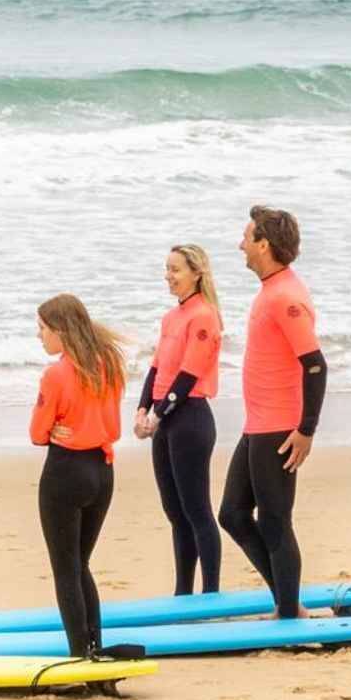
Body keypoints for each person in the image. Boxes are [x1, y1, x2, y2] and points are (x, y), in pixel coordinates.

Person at [219, 205, 326, 619]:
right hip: (258, 425)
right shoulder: (272, 289)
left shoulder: (284, 296)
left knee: (276, 522)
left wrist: (306, 430)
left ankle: (288, 611)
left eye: (246, 237)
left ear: (264, 244)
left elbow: (315, 364)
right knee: (232, 514)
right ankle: (288, 601)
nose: (240, 245)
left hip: (280, 428)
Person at [29, 296, 125, 660]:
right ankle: (94, 647)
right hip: (102, 471)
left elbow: (38, 432)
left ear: (60, 330)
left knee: (66, 569)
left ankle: (79, 653)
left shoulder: (56, 373)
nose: (39, 336)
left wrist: (56, 429)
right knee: (80, 564)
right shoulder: (109, 363)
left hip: (66, 473)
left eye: (42, 329)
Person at [132, 244, 224, 596]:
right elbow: (157, 368)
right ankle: (183, 593)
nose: (168, 276)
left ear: (196, 273)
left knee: (196, 509)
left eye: (175, 270)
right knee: (175, 512)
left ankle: (211, 593)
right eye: (166, 269)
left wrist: (157, 414)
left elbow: (188, 375)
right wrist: (143, 410)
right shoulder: (172, 317)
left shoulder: (204, 315)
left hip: (191, 420)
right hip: (166, 420)